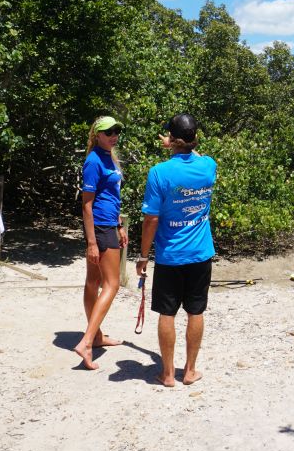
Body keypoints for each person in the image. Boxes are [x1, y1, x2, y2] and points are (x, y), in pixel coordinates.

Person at [137, 113, 217, 387]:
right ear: (195, 138)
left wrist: (143, 254)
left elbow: (151, 219)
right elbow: (196, 153)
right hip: (200, 253)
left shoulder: (159, 172)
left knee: (167, 313)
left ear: (171, 139)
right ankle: (190, 371)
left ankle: (168, 373)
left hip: (170, 255)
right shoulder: (208, 166)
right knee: (196, 311)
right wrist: (178, 146)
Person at [73, 115, 128, 370]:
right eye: (109, 132)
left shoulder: (109, 157)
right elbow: (86, 204)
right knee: (112, 284)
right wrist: (92, 242)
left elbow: (111, 195)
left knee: (94, 282)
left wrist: (120, 224)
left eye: (116, 131)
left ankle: (96, 336)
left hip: (109, 224)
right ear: (97, 135)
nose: (114, 136)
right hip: (100, 228)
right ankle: (86, 341)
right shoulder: (93, 161)